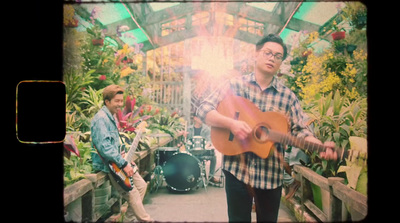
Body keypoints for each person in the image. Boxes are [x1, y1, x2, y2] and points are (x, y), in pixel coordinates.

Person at [197, 34, 337, 222]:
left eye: (278, 56)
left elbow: (301, 130)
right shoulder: (235, 85)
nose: (272, 58)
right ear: (256, 54)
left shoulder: (288, 97)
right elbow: (203, 109)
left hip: (270, 175)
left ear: (281, 63)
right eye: (268, 53)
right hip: (237, 171)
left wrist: (319, 146)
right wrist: (232, 124)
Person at [91, 84, 153, 222]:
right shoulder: (101, 119)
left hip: (119, 161)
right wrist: (123, 163)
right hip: (111, 165)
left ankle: (128, 220)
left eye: (121, 100)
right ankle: (147, 220)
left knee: (142, 186)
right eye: (117, 101)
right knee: (133, 194)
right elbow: (105, 148)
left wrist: (125, 158)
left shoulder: (111, 116)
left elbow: (114, 144)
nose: (120, 104)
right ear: (107, 102)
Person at [186, 114, 221, 185]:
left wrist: (207, 145)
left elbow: (209, 140)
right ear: (195, 118)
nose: (202, 119)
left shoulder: (206, 129)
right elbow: (187, 141)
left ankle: (211, 177)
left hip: (204, 151)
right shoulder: (188, 129)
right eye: (200, 118)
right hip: (192, 152)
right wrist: (184, 137)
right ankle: (191, 176)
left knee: (213, 157)